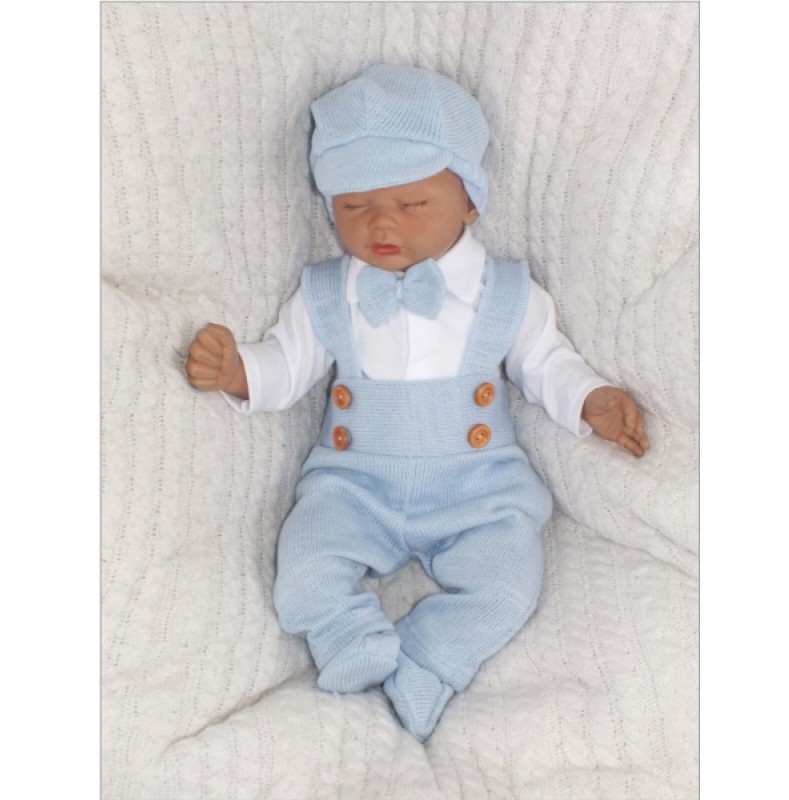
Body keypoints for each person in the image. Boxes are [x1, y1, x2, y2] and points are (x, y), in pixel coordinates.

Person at [186, 64, 650, 742]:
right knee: (304, 565)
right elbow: (286, 366)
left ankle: (429, 660)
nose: (382, 222)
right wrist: (237, 371)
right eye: (354, 206)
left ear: (470, 202)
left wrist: (591, 398)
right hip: (354, 485)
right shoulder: (326, 293)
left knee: (509, 583)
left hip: (478, 486)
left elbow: (545, 361)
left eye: (412, 203)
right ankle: (349, 637)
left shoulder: (505, 292)